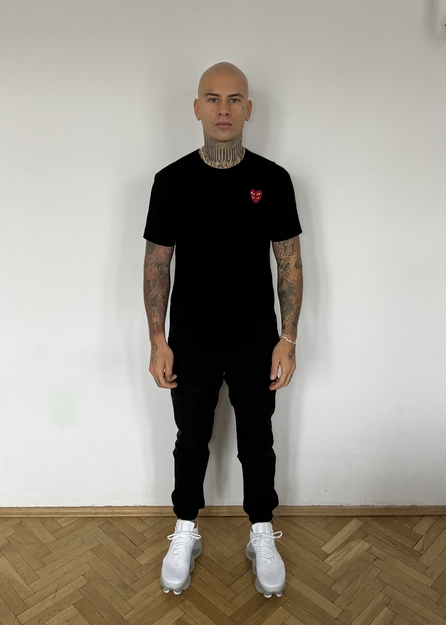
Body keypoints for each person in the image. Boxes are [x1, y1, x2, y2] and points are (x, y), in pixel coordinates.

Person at [143, 62, 303, 598]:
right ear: (197, 108)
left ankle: (261, 532)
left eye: (235, 99)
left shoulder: (273, 180)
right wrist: (158, 340)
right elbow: (157, 265)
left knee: (258, 441)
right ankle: (186, 528)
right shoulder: (171, 181)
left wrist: (288, 339)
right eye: (213, 98)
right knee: (191, 439)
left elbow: (290, 264)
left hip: (256, 339)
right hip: (190, 340)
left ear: (249, 109)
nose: (224, 109)